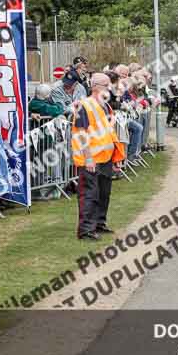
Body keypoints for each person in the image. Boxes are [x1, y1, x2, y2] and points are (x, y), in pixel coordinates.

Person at [72, 73, 124, 240]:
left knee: (103, 194)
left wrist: (116, 159)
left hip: (106, 158)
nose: (110, 89)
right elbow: (81, 134)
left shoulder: (106, 106)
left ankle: (99, 224)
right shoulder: (83, 106)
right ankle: (86, 230)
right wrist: (88, 158)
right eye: (107, 85)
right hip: (91, 159)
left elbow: (110, 133)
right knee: (89, 194)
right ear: (97, 87)